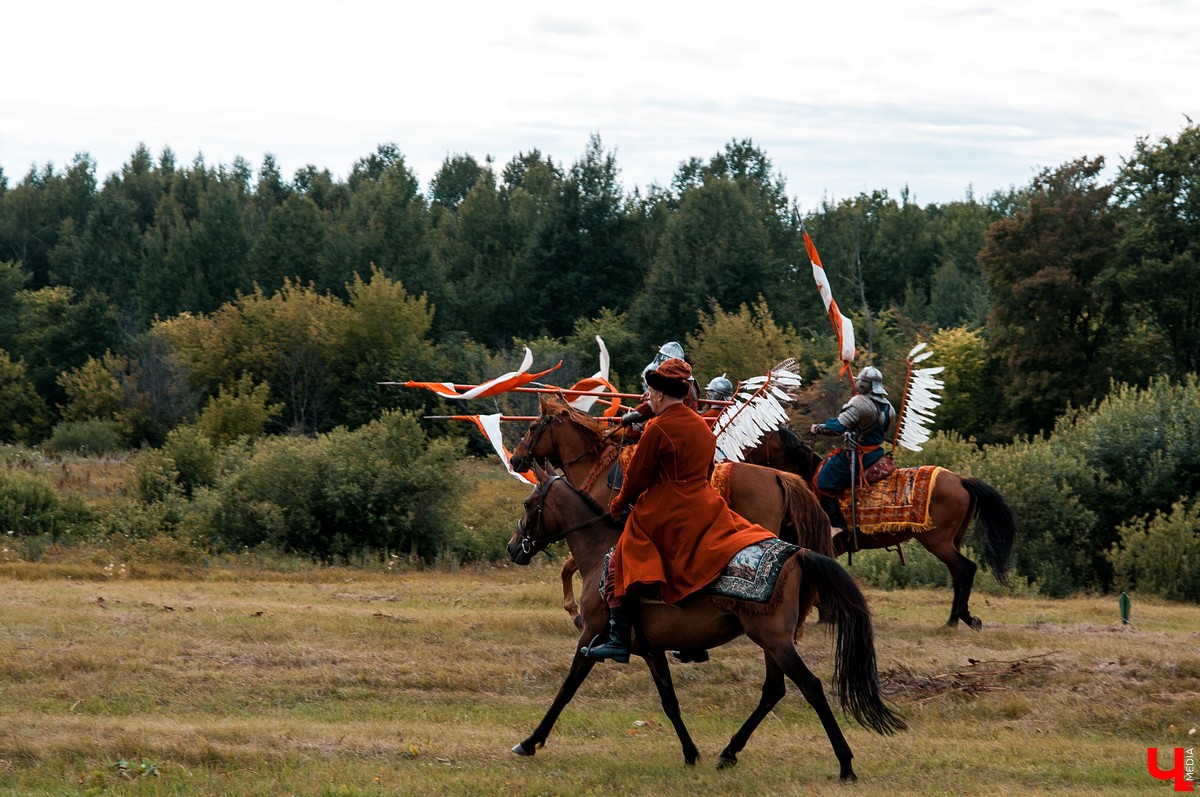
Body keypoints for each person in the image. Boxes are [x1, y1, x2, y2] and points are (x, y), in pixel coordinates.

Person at [581, 358, 776, 663]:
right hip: (705, 505)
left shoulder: (658, 428)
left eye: (650, 393)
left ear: (658, 394)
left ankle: (618, 639)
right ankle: (692, 638)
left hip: (666, 509)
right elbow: (710, 468)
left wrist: (618, 505)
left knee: (621, 558)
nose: (649, 397)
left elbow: (637, 477)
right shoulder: (701, 425)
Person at [809, 365, 895, 532]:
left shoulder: (859, 402)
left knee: (823, 480)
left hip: (860, 456)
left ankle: (836, 526)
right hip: (877, 453)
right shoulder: (889, 407)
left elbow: (837, 428)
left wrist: (818, 428)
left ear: (865, 384)